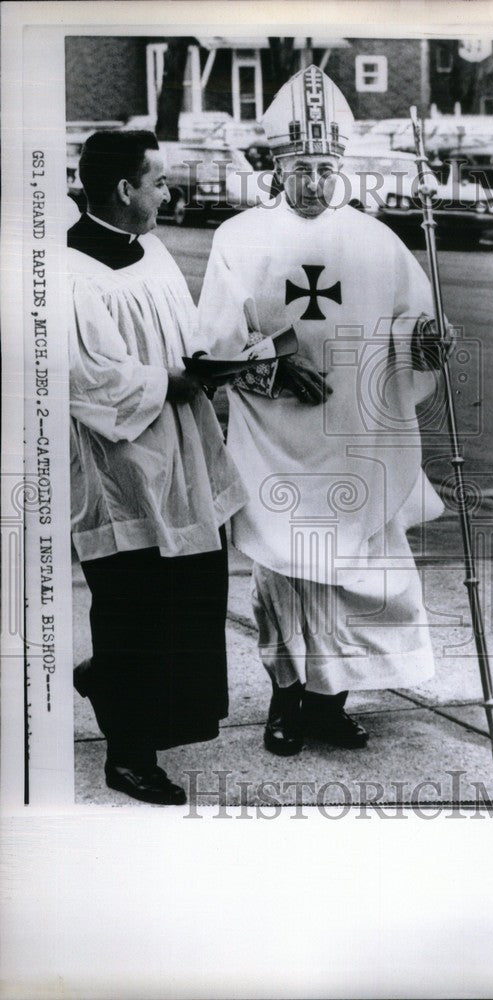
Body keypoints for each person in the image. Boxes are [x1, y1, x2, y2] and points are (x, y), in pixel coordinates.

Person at [197, 66, 449, 757]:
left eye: (325, 168)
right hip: (278, 438)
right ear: (276, 167)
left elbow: (411, 325)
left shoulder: (376, 240)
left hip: (356, 439)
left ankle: (331, 701)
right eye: (300, 168)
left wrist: (426, 341)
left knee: (360, 576)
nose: (313, 182)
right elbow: (212, 344)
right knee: (286, 574)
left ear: (342, 166)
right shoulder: (241, 238)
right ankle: (286, 702)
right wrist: (270, 367)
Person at [68, 130, 247, 804]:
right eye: (160, 182)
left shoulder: (153, 252)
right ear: (124, 190)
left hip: (185, 451)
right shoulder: (67, 272)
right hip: (121, 466)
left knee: (188, 597)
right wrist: (170, 382)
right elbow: (84, 377)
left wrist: (225, 361)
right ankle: (128, 754)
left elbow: (189, 333)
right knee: (133, 603)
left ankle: (111, 680)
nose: (168, 193)